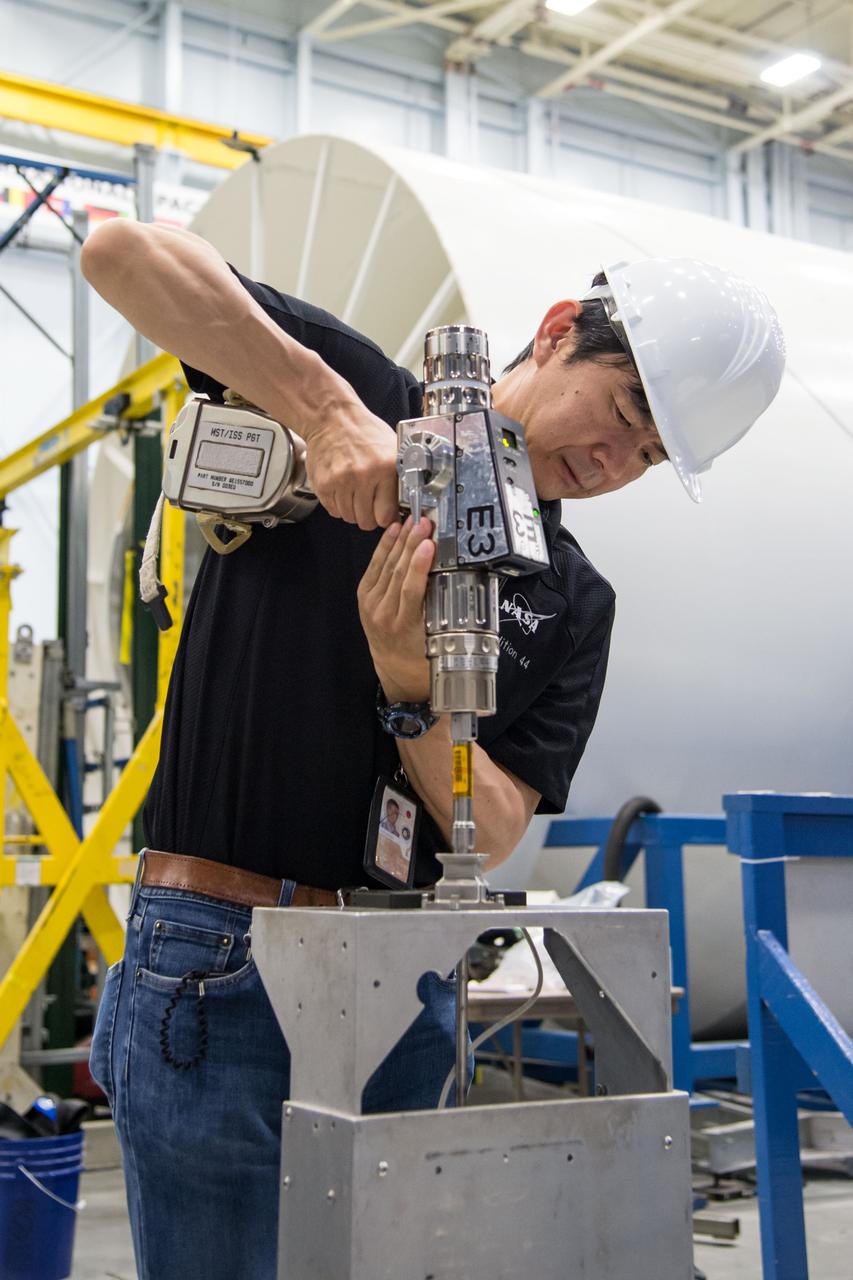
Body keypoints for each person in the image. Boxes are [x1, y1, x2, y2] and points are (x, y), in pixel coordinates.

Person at [81, 222, 784, 1280]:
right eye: (629, 411)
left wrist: (414, 692)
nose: (611, 460)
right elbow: (117, 251)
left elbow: (493, 826)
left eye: (648, 457)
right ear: (555, 335)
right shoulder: (363, 392)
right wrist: (322, 415)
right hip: (216, 950)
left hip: (401, 977)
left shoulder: (574, 598)